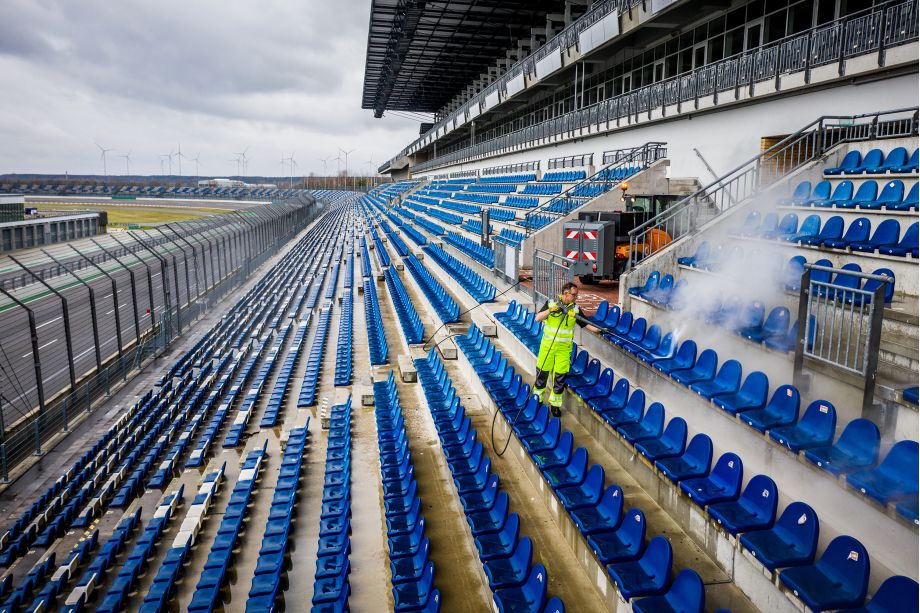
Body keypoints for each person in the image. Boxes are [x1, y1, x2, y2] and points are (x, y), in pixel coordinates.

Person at [533, 282, 600, 417]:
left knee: (559, 378)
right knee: (542, 375)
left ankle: (555, 405)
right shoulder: (551, 304)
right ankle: (537, 400)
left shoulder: (575, 310)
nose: (576, 298)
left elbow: (586, 324)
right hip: (547, 348)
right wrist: (550, 311)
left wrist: (601, 331)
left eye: (576, 295)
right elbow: (537, 318)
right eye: (574, 295)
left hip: (563, 350)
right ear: (565, 294)